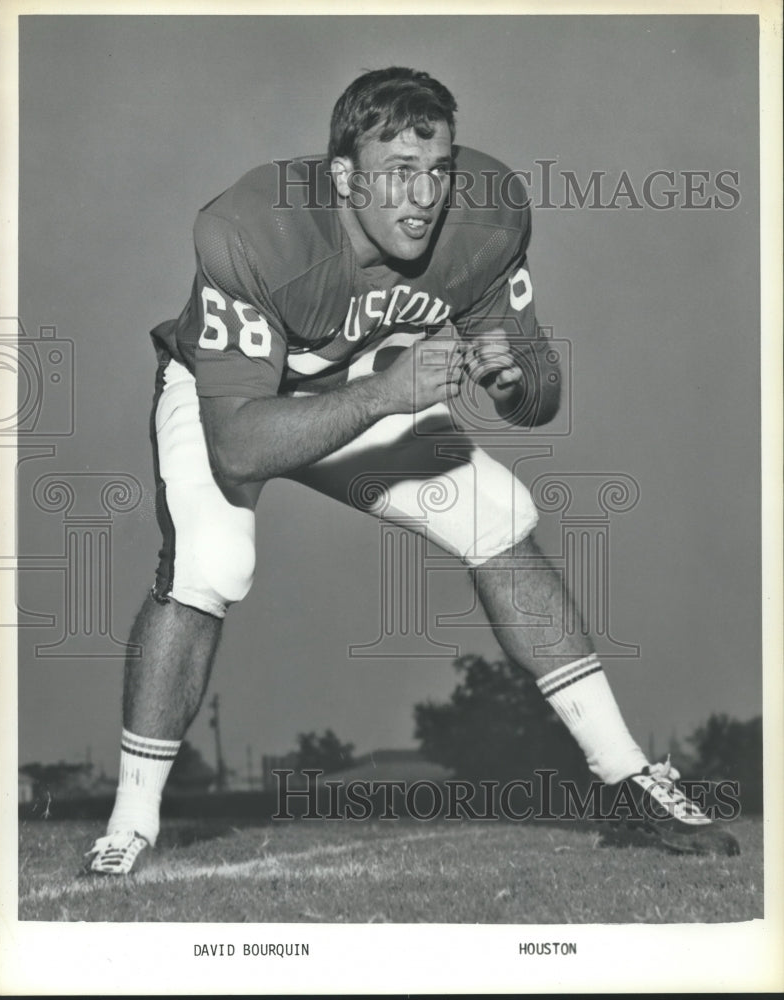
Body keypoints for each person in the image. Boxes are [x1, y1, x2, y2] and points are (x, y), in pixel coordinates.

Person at [84, 67, 738, 875]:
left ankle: (628, 781)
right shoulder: (255, 229)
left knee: (495, 513)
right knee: (211, 562)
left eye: (437, 170)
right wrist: (382, 393)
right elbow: (239, 446)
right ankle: (130, 825)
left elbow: (539, 394)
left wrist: (517, 377)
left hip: (360, 383)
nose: (424, 196)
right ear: (344, 177)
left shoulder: (486, 219)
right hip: (235, 398)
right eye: (398, 173)